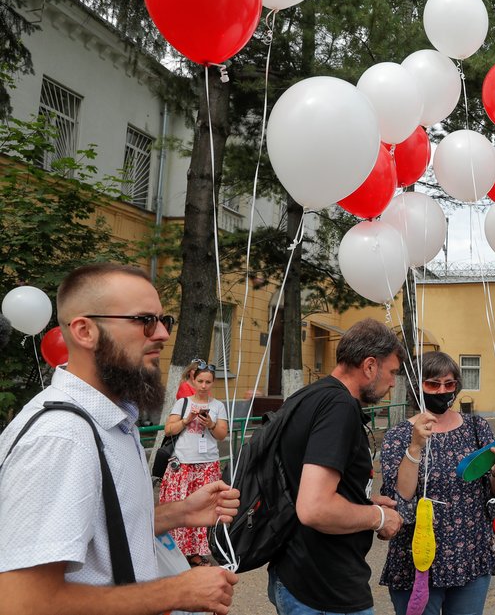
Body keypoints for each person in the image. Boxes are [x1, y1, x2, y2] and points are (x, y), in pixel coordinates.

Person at [0, 263, 240, 615]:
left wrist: (179, 513)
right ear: (85, 330)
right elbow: (20, 602)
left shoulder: (109, 420)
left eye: (163, 320)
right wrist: (174, 591)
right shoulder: (62, 439)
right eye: (144, 320)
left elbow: (101, 536)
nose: (161, 334)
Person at [267, 318, 406, 615]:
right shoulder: (339, 407)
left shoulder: (310, 395)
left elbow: (304, 482)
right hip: (323, 589)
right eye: (392, 372)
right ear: (369, 366)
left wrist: (361, 501)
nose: (393, 382)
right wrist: (378, 517)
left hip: (301, 575)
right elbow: (314, 507)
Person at [380, 351, 495, 615]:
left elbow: (494, 497)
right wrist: (415, 446)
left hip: (469, 557)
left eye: (449, 384)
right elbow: (400, 498)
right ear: (419, 387)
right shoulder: (399, 435)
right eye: (433, 384)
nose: (442, 390)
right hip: (417, 559)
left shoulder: (477, 428)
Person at [159, 362, 230, 566]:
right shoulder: (183, 403)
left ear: (213, 383)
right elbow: (168, 430)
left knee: (203, 511)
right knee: (179, 507)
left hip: (207, 465)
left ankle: (197, 552)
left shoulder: (218, 406)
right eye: (200, 381)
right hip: (182, 464)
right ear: (193, 379)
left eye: (208, 382)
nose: (204, 386)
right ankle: (175, 551)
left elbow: (222, 435)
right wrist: (186, 420)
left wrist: (211, 424)